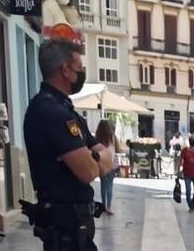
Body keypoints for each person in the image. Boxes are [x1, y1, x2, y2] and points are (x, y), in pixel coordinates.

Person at [24, 39, 113, 250]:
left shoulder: (66, 110)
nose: (81, 73)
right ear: (65, 70)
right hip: (65, 230)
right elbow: (89, 171)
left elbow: (106, 156)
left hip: (74, 229)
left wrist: (96, 157)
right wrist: (97, 159)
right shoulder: (51, 112)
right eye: (79, 68)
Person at [94, 120, 120, 215]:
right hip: (111, 164)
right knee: (110, 186)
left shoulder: (97, 138)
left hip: (101, 163)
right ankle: (109, 206)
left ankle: (104, 205)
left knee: (103, 185)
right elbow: (117, 149)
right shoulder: (112, 137)